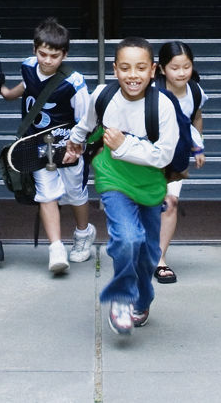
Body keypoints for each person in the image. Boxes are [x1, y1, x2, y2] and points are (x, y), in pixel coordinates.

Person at [65, 37, 179, 336]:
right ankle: (122, 296)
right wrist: (75, 142)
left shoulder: (163, 105)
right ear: (115, 70)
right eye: (125, 68)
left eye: (141, 68)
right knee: (128, 238)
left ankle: (141, 300)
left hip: (151, 186)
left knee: (147, 253)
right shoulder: (103, 95)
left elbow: (164, 155)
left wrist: (124, 145)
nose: (133, 75)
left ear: (153, 70)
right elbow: (87, 124)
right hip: (112, 178)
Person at [0, 17, 95, 274]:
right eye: (42, 53)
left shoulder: (74, 83)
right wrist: (7, 93)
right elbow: (29, 87)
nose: (47, 60)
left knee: (75, 194)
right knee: (46, 194)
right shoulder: (28, 66)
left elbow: (86, 120)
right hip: (36, 146)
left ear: (64, 54)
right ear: (34, 50)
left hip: (67, 149)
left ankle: (83, 234)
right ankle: (56, 249)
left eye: (54, 55)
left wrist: (77, 146)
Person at [152, 40, 207, 284]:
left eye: (186, 66)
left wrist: (198, 146)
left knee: (171, 202)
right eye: (175, 68)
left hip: (177, 156)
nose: (181, 72)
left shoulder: (195, 91)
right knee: (148, 204)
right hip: (149, 156)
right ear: (162, 69)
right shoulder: (151, 91)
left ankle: (159, 259)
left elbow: (196, 117)